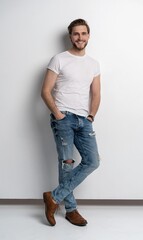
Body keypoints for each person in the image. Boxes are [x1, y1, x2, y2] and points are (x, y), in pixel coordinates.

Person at [41, 18, 101, 227]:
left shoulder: (93, 64)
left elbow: (96, 93)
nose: (80, 38)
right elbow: (45, 91)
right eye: (76, 34)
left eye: (83, 33)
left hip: (85, 120)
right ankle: (71, 210)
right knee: (67, 165)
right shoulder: (59, 59)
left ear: (88, 35)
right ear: (70, 36)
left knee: (92, 161)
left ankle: (54, 197)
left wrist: (91, 116)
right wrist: (58, 115)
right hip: (64, 118)